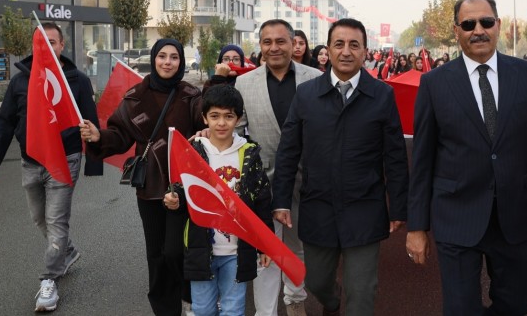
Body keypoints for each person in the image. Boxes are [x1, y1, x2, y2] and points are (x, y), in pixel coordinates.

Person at [407, 0, 527, 315]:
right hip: (456, 216)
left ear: (498, 25)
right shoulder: (434, 83)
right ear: (457, 31)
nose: (478, 30)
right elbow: (423, 159)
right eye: (468, 24)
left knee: (517, 302)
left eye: (486, 22)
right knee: (460, 308)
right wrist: (417, 226)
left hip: (518, 217)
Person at [274, 18, 409, 316]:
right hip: (318, 206)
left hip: (365, 208)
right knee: (317, 282)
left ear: (364, 52)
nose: (346, 51)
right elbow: (288, 151)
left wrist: (399, 207)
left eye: (354, 45)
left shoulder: (382, 95)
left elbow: (395, 156)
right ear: (329, 50)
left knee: (362, 293)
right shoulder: (307, 95)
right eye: (339, 44)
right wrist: (281, 199)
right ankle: (331, 302)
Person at [0, 22, 102, 312]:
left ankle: (49, 281)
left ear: (62, 45)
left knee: (56, 220)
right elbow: (5, 121)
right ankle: (68, 252)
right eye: (42, 41)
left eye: (53, 41)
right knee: (40, 219)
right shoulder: (20, 81)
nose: (48, 46)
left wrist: (94, 161)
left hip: (65, 159)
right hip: (31, 160)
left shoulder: (78, 80)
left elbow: (92, 124)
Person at [79, 39, 202, 316]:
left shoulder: (191, 95)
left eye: (174, 57)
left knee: (176, 250)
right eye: (162, 56)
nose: (168, 62)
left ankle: (188, 293)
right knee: (156, 254)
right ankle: (164, 309)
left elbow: (207, 124)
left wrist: (205, 132)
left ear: (181, 62)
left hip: (185, 186)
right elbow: (121, 134)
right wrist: (100, 136)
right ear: (154, 59)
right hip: (149, 187)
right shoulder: (135, 97)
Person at [234, 19, 322, 316]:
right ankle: (265, 311)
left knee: (298, 244)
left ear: (293, 42)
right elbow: (235, 129)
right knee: (265, 249)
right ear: (260, 46)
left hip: (306, 177)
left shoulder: (315, 78)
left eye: (281, 41)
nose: (274, 47)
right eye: (267, 42)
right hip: (263, 179)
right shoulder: (245, 83)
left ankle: (295, 302)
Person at [164, 85, 274, 316]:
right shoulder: (193, 150)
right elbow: (182, 189)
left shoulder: (250, 153)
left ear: (238, 118)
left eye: (228, 116)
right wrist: (175, 199)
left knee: (233, 309)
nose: (221, 123)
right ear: (204, 118)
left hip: (237, 250)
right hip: (200, 248)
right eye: (214, 116)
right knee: (203, 310)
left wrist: (266, 244)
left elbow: (262, 199)